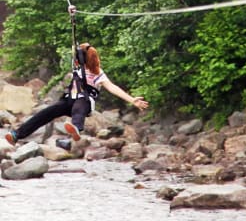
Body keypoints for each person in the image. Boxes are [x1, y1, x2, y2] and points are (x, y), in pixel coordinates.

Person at [4, 42, 148, 145]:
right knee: (45, 113)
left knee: (79, 107)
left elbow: (112, 87)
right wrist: (72, 14)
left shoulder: (98, 74)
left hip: (85, 103)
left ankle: (76, 128)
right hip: (68, 100)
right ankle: (18, 134)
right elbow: (74, 39)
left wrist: (131, 100)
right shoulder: (77, 68)